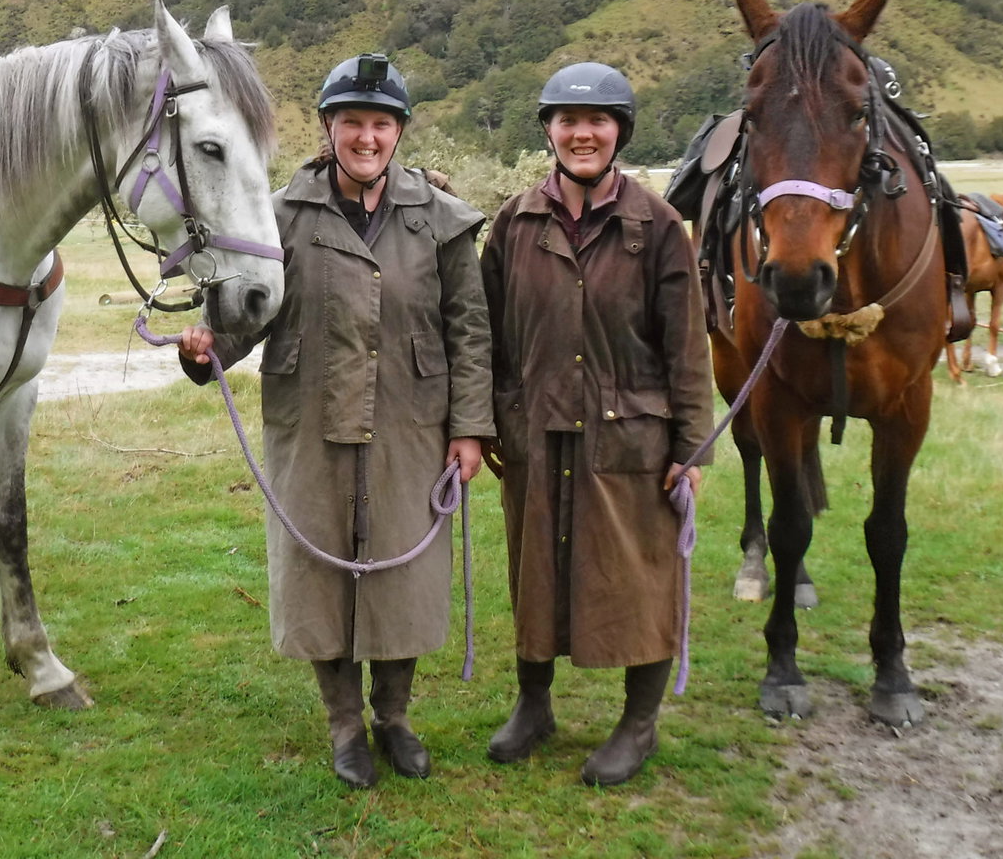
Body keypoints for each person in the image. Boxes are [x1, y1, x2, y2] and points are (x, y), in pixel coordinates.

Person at [177, 53, 493, 789]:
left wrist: (471, 426)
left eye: (381, 123)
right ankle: (345, 727)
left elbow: (470, 330)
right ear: (329, 127)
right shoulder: (282, 212)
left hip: (412, 425)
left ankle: (395, 717)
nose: (367, 137)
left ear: (399, 132)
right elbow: (247, 310)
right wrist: (206, 349)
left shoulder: (441, 219)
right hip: (309, 418)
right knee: (320, 573)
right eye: (353, 121)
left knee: (403, 573)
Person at [479, 61, 712, 787]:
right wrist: (486, 421)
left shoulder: (660, 225)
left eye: (599, 121)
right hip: (535, 432)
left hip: (632, 438)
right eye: (568, 121)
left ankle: (638, 723)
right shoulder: (514, 224)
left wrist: (692, 446)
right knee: (536, 568)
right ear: (548, 131)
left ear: (620, 132)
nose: (583, 133)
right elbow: (486, 336)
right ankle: (534, 703)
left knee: (638, 575)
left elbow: (687, 345)